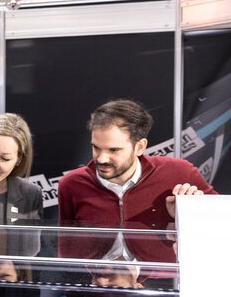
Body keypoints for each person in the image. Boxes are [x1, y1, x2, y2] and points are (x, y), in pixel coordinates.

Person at [57, 99, 217, 262]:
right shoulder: (72, 184)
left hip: (163, 283)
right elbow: (67, 253)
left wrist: (191, 212)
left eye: (114, 150)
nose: (102, 159)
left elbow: (221, 225)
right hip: (95, 284)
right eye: (96, 147)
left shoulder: (180, 172)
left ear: (140, 147)